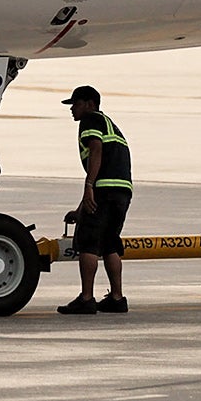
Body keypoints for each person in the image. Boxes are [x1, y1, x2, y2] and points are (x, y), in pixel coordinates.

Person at [57, 85, 133, 315]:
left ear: (90, 104)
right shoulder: (109, 123)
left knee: (88, 241)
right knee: (110, 242)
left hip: (104, 188)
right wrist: (81, 208)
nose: (72, 110)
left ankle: (87, 298)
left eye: (76, 104)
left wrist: (89, 187)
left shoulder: (90, 120)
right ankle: (117, 298)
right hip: (122, 191)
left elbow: (96, 151)